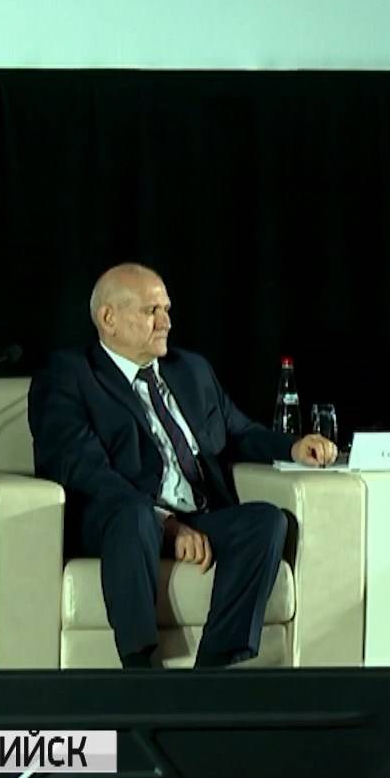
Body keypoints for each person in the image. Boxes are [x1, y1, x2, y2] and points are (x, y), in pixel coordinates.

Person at [29, 263, 337, 668]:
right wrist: (167, 524)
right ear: (108, 318)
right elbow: (81, 467)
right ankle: (140, 668)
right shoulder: (68, 375)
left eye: (167, 310)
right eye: (151, 311)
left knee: (266, 522)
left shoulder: (191, 369)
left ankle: (214, 667)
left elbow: (239, 431)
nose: (166, 323)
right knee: (135, 515)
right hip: (119, 518)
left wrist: (294, 447)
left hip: (197, 513)